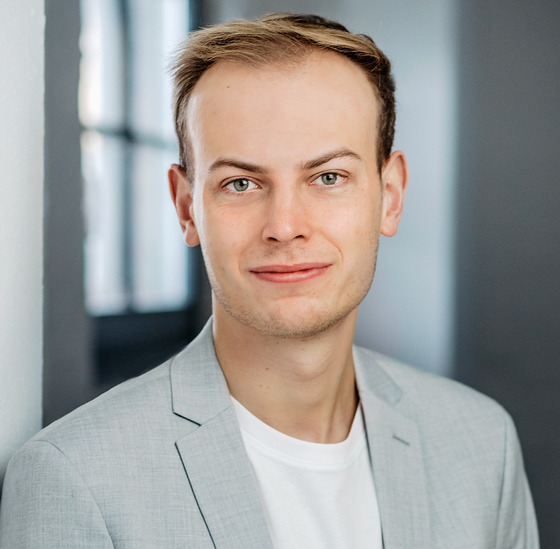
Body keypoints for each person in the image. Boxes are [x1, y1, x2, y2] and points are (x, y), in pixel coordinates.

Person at [0, 13, 538, 548]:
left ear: (390, 197)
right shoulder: (74, 479)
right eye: (240, 183)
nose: (284, 226)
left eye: (328, 177)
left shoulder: (482, 442)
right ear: (186, 208)